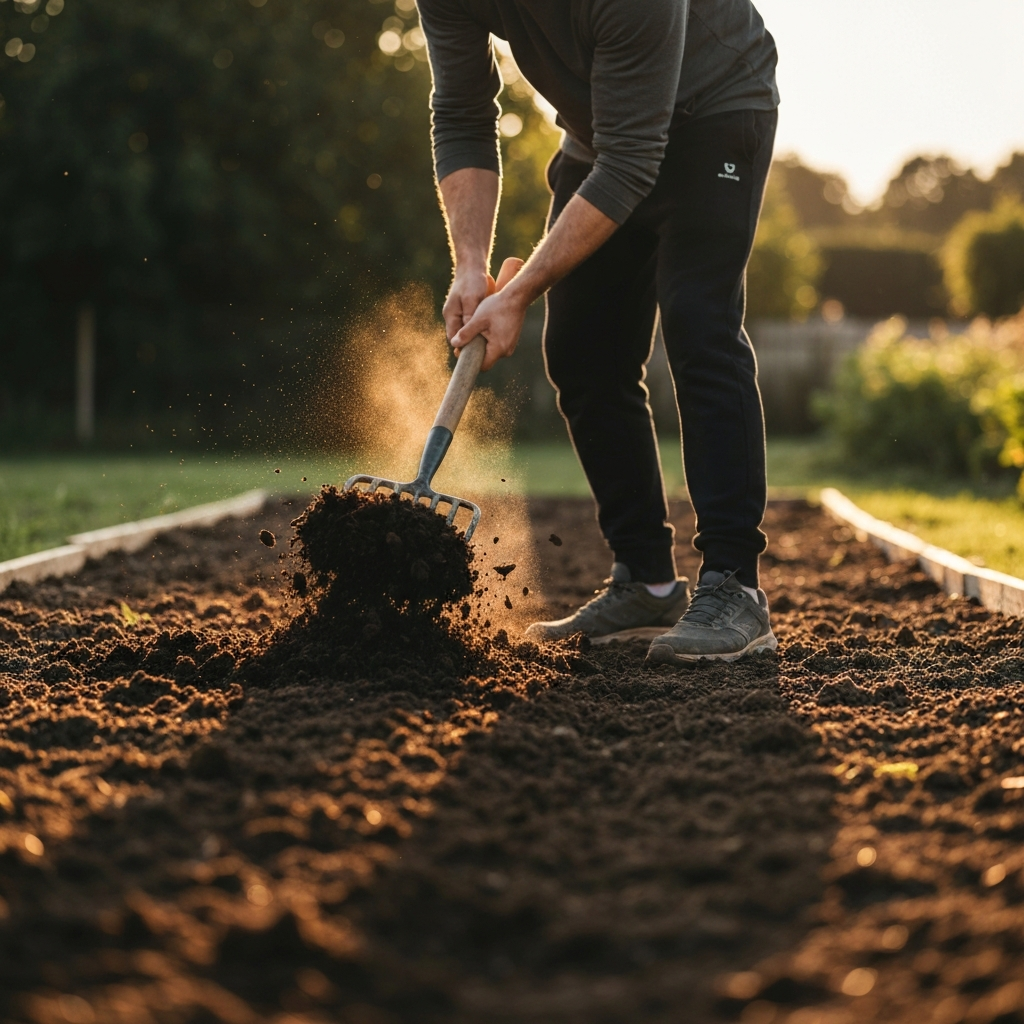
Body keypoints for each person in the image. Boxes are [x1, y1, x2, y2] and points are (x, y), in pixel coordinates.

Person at [418, 0, 780, 663]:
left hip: (716, 107)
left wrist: (520, 291)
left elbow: (635, 161)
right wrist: (469, 266)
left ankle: (736, 588)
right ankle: (646, 580)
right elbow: (463, 114)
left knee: (700, 324)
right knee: (583, 353)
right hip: (602, 135)